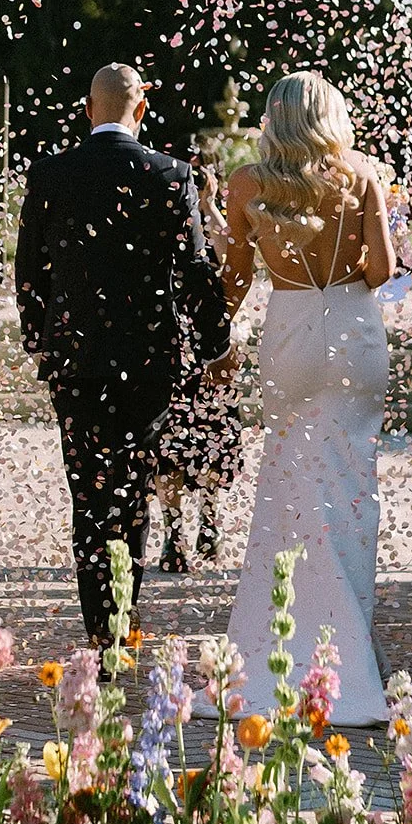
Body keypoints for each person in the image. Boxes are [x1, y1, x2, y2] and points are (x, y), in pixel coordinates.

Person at [15, 63, 231, 655]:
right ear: (141, 111)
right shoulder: (169, 174)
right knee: (131, 493)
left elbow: (30, 274)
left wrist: (43, 346)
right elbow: (194, 270)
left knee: (86, 492)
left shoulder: (52, 174)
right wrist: (217, 345)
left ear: (88, 109)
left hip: (76, 363)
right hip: (147, 363)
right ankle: (121, 621)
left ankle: (97, 629)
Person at [207, 71, 395, 727]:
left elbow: (233, 276)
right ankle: (350, 658)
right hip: (352, 329)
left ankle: (283, 647)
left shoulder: (245, 183)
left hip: (287, 329)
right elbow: (382, 269)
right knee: (350, 489)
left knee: (288, 490)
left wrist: (215, 343)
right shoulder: (360, 174)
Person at [155, 156, 245, 571]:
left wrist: (207, 204)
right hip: (171, 346)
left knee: (211, 441)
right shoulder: (162, 217)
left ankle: (208, 520)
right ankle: (174, 533)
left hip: (210, 346)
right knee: (169, 447)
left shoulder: (211, 221)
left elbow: (232, 253)